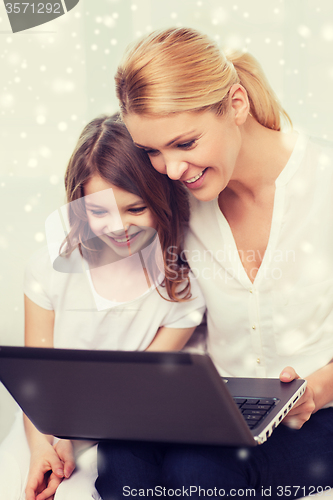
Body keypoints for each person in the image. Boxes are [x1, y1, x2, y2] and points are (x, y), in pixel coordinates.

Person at [95, 27, 333, 499]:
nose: (171, 169)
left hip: (319, 413)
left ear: (237, 105)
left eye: (185, 143)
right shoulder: (178, 201)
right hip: (215, 408)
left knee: (196, 470)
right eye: (153, 152)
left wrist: (318, 389)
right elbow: (92, 274)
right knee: (121, 455)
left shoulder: (323, 186)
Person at [0, 115, 205, 500]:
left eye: (136, 208)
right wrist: (44, 445)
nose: (118, 226)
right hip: (41, 427)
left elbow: (131, 395)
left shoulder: (181, 293)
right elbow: (35, 384)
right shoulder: (48, 270)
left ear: (163, 201)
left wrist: (72, 442)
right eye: (99, 212)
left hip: (113, 431)